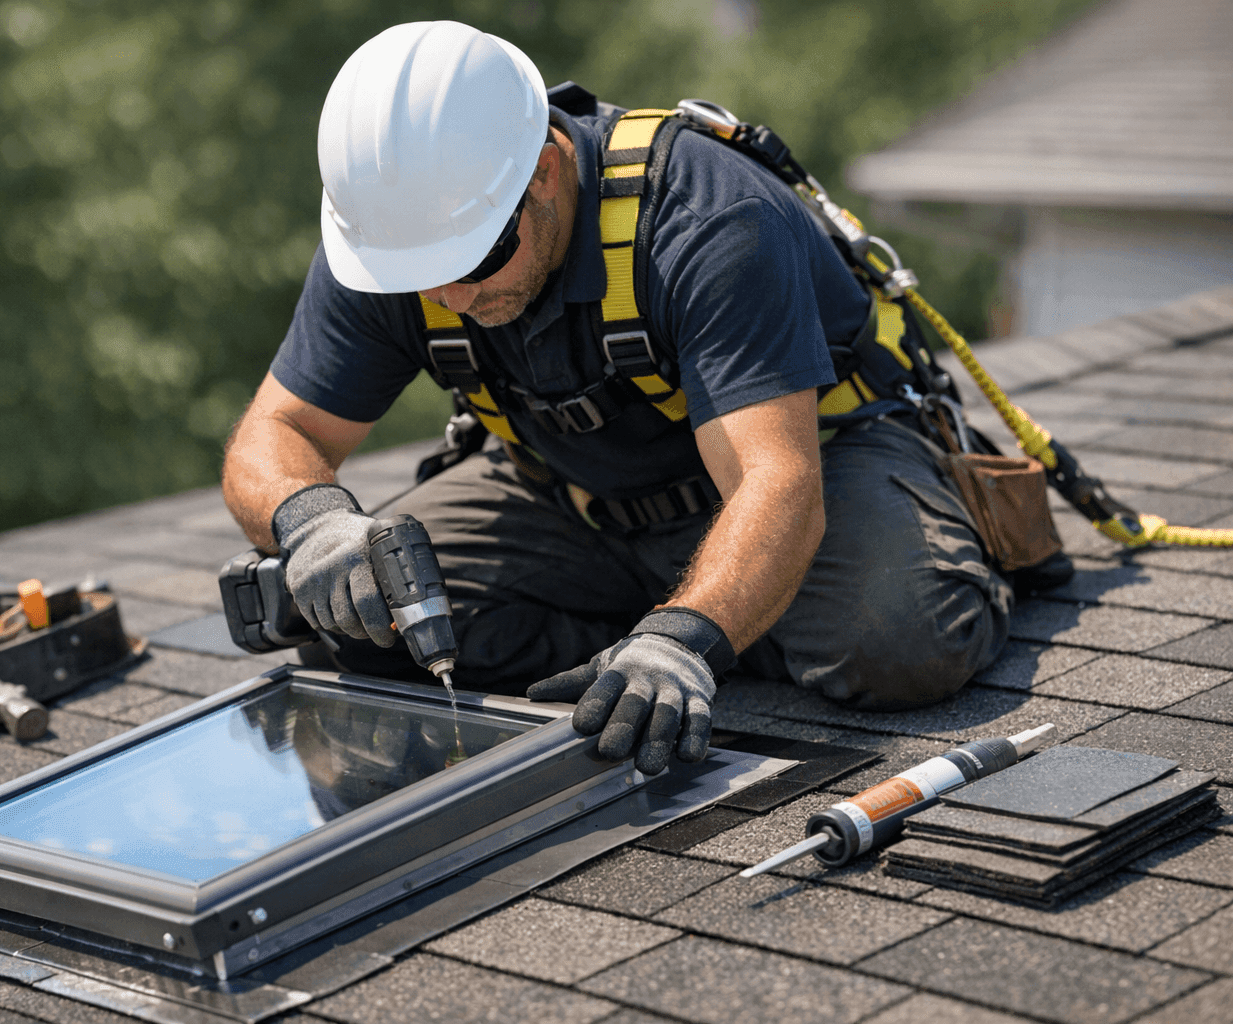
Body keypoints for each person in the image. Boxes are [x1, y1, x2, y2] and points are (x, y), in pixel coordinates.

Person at [222, 21, 1015, 777]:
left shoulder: (707, 219)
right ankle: (696, 627)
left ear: (544, 168)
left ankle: (707, 621)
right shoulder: (393, 238)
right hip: (574, 499)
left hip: (809, 465)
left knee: (897, 639)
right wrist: (312, 522)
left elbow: (776, 483)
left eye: (476, 258)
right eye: (419, 272)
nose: (450, 295)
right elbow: (278, 430)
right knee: (366, 620)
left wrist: (684, 639)